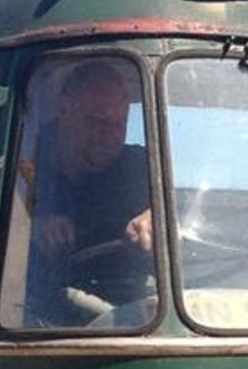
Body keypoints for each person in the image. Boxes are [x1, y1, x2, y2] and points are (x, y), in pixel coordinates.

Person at [22, 59, 153, 324]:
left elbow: (181, 214)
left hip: (132, 316)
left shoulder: (140, 167)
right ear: (65, 110)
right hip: (35, 321)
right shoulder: (22, 159)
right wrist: (27, 228)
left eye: (120, 123)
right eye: (98, 121)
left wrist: (155, 217)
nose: (112, 134)